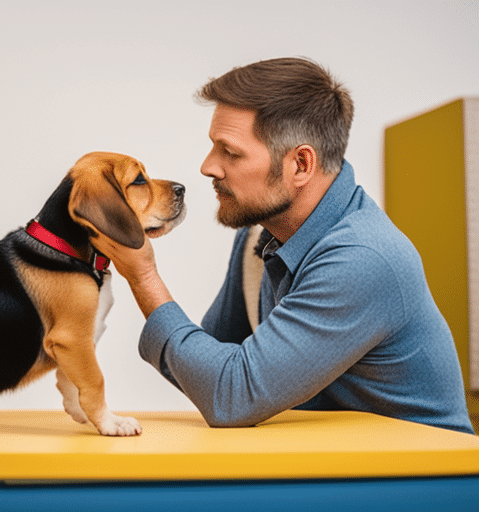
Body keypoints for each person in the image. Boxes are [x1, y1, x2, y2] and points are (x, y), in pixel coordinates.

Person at [93, 57, 475, 434]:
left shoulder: (362, 258)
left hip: (421, 481)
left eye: (230, 151)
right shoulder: (259, 244)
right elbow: (204, 368)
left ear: (300, 165)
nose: (208, 166)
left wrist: (143, 275)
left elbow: (230, 394)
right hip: (334, 470)